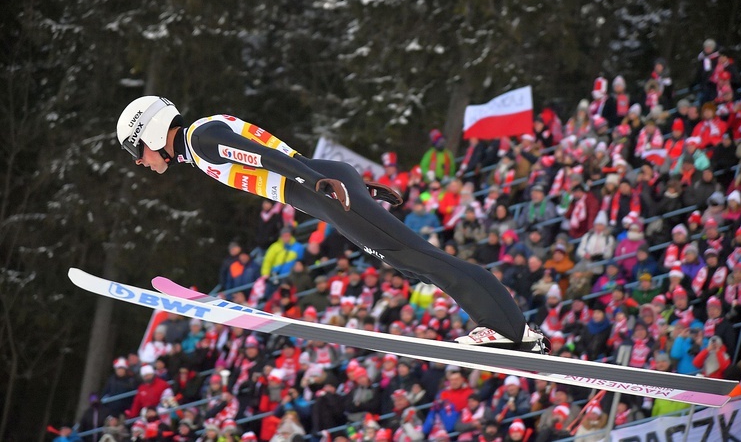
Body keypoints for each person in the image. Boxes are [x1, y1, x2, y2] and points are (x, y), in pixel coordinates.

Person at [117, 96, 543, 349]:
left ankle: (509, 329)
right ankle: (511, 326)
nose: (141, 161)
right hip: (326, 190)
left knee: (422, 259)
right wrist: (340, 183)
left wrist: (319, 181)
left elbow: (266, 158)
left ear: (151, 133)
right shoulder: (200, 140)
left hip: (323, 190)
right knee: (413, 264)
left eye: (138, 150)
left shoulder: (201, 139)